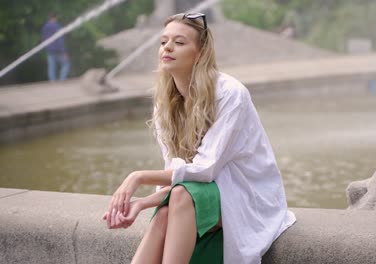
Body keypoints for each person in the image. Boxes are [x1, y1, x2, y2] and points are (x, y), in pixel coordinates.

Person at [102, 12, 296, 264]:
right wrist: (142, 204)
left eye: (179, 42)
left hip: (246, 198)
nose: (167, 47)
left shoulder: (229, 94)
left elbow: (203, 171)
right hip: (198, 197)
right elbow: (181, 177)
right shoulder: (165, 103)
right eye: (163, 42)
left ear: (201, 52)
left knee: (180, 197)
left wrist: (136, 177)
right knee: (164, 214)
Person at [41, 13, 70, 81]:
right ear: (54, 18)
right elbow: (60, 40)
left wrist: (47, 48)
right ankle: (62, 80)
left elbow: (44, 39)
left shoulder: (44, 27)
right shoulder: (57, 26)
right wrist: (64, 52)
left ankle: (52, 82)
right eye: (56, 18)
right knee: (66, 64)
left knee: (51, 67)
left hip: (49, 50)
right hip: (58, 50)